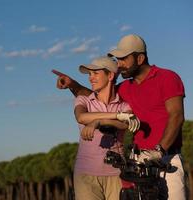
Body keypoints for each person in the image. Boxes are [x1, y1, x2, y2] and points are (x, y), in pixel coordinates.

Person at [52, 34, 186, 200]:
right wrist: (72, 84)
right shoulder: (125, 88)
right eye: (117, 59)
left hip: (167, 159)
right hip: (137, 163)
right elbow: (95, 95)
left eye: (123, 59)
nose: (119, 64)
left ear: (140, 58)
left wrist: (159, 150)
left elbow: (177, 116)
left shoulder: (167, 77)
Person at [67, 56, 139, 200]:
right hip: (86, 175)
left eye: (95, 73)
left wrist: (100, 121)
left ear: (110, 75)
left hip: (117, 175)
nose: (90, 78)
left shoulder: (124, 105)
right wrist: (117, 115)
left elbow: (125, 124)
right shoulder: (83, 100)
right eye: (89, 74)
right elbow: (81, 117)